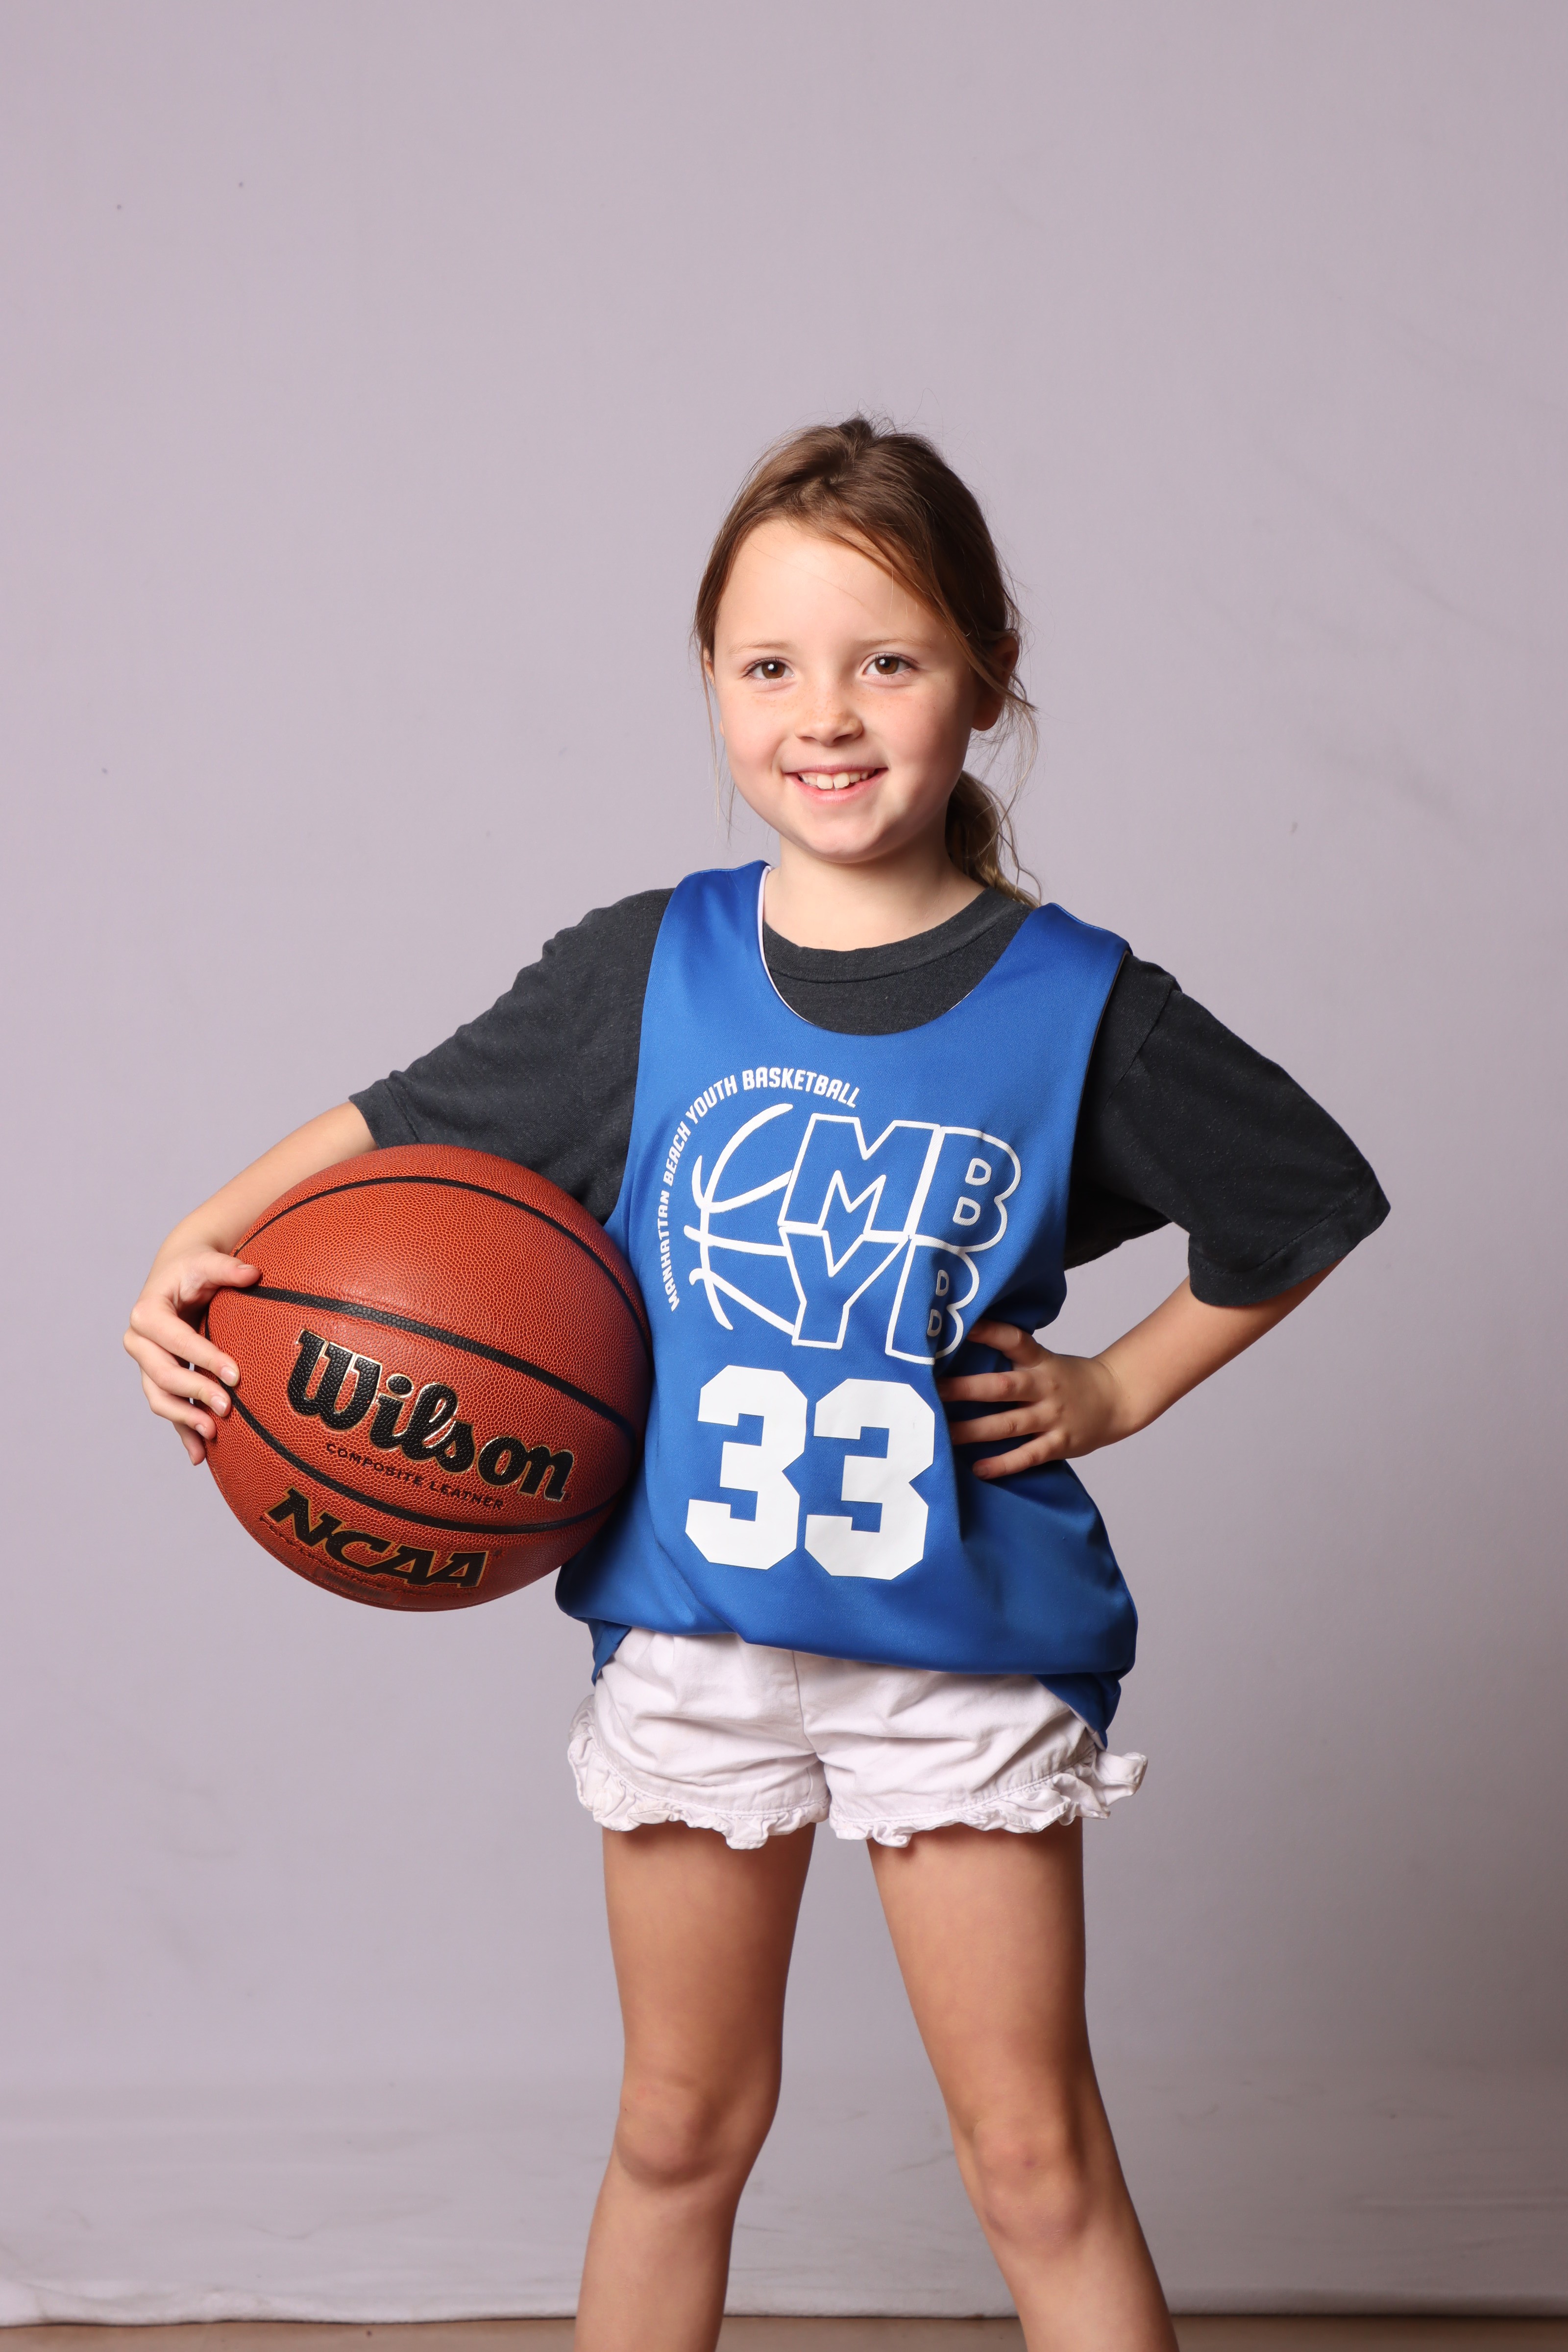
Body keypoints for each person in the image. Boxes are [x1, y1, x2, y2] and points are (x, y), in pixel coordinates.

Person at [124, 419, 1388, 2352]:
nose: (827, 714)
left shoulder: (1076, 1002)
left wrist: (1118, 1390)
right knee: (674, 2131)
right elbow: (397, 1129)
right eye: (770, 664)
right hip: (694, 1637)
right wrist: (198, 1245)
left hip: (957, 1644)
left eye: (888, 660)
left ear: (986, 677)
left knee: (1030, 2161)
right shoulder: (641, 973)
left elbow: (1299, 1196)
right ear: (712, 680)